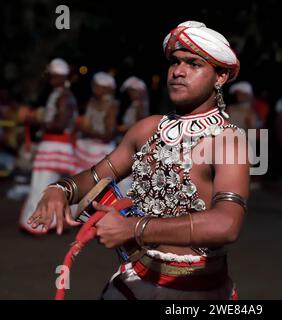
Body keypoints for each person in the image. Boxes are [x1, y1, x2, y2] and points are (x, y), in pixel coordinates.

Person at [28, 21, 249, 300]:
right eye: (175, 62)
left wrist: (132, 228)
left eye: (194, 64)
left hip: (196, 292)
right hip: (133, 279)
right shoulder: (148, 128)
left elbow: (227, 224)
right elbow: (97, 176)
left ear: (220, 77)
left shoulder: (228, 141)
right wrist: (61, 189)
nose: (178, 72)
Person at [19, 58, 78, 235]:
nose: (50, 79)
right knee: (49, 185)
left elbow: (59, 124)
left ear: (62, 76)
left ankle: (39, 223)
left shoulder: (64, 96)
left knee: (43, 184)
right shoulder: (58, 94)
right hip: (53, 144)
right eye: (50, 76)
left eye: (54, 76)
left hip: (56, 144)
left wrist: (36, 120)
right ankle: (50, 222)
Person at [74, 72, 119, 173]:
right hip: (86, 146)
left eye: (98, 86)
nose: (94, 89)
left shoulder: (111, 106)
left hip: (101, 150)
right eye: (94, 86)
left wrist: (87, 131)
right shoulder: (91, 102)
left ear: (107, 89)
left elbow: (109, 135)